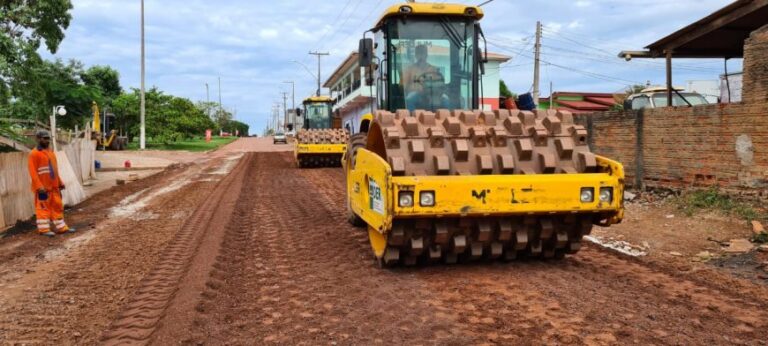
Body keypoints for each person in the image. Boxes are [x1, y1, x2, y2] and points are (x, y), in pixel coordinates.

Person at [28, 130, 75, 237]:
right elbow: (33, 173)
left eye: (47, 138)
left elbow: (54, 170)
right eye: (44, 138)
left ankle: (62, 228)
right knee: (43, 208)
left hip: (54, 188)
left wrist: (60, 182)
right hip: (43, 189)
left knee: (57, 206)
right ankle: (44, 230)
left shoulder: (50, 153)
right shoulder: (34, 154)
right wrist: (39, 187)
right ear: (38, 139)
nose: (46, 140)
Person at [401, 44, 449, 110]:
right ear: (415, 55)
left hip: (432, 95)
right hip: (416, 94)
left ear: (426, 55)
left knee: (446, 100)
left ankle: (447, 119)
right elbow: (402, 86)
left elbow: (440, 84)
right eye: (418, 53)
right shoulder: (409, 70)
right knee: (409, 100)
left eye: (422, 53)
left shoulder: (434, 69)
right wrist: (410, 89)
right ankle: (411, 118)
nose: (421, 56)